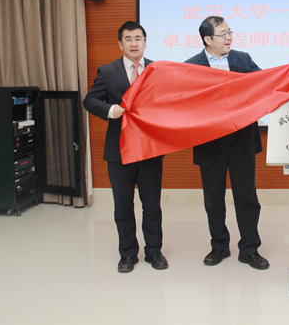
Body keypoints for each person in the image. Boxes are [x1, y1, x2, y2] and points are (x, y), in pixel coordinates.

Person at [184, 16, 269, 270]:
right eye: (223, 34)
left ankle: (249, 249)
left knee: (247, 197)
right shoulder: (191, 67)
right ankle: (219, 246)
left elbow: (263, 85)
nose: (229, 37)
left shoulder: (243, 60)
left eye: (230, 32)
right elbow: (185, 103)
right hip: (210, 142)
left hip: (241, 140)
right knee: (213, 199)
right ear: (207, 39)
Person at [83, 21, 168, 273]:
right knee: (123, 205)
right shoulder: (108, 71)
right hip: (118, 150)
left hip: (150, 148)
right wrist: (111, 110)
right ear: (120, 44)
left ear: (145, 42)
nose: (134, 43)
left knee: (152, 205)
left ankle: (154, 252)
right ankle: (128, 254)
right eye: (128, 39)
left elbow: (168, 101)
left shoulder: (156, 70)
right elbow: (90, 100)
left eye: (138, 38)